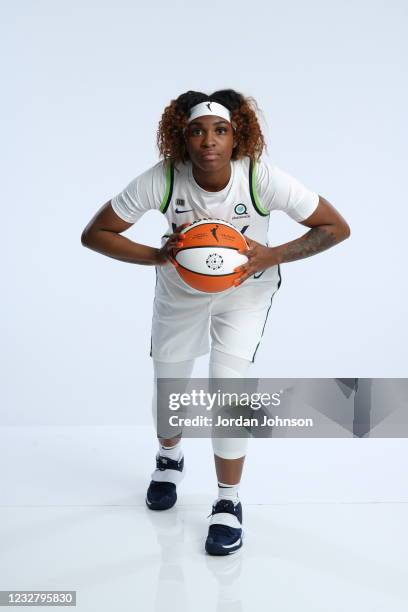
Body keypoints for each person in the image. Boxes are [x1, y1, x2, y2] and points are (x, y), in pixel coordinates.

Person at [81, 89, 350, 556]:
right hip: (180, 292)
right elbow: (94, 234)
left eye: (220, 131)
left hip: (245, 292)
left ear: (236, 136)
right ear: (180, 139)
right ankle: (169, 459)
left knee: (228, 387)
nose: (208, 141)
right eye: (197, 131)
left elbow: (335, 226)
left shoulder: (260, 178)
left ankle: (228, 502)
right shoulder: (163, 179)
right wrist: (158, 257)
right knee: (170, 386)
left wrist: (273, 254)